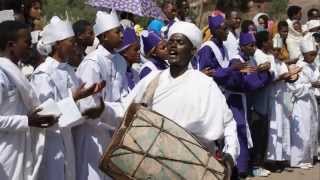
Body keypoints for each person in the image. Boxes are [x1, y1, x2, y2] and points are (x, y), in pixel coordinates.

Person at [108, 21, 240, 178]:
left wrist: (231, 155)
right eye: (170, 41)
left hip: (195, 168)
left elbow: (228, 123)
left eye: (180, 42)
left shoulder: (205, 84)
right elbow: (125, 109)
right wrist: (100, 109)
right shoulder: (153, 79)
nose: (173, 46)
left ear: (192, 51)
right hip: (155, 167)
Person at [31, 16, 105, 180]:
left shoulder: (69, 70)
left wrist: (90, 104)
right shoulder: (43, 73)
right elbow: (44, 114)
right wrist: (74, 97)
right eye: (71, 42)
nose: (75, 46)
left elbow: (77, 106)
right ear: (58, 44)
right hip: (50, 143)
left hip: (68, 138)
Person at [0, 20, 57, 180]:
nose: (31, 46)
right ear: (11, 45)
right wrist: (26, 121)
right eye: (26, 42)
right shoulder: (1, 74)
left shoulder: (13, 70)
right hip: (6, 155)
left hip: (22, 149)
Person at [75, 11, 126, 180]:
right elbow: (89, 106)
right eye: (117, 31)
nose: (122, 35)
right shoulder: (92, 62)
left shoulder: (120, 60)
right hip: (94, 133)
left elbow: (123, 95)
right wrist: (115, 114)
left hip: (115, 130)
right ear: (104, 36)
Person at [226, 32, 273, 179]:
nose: (253, 48)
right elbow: (241, 83)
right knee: (238, 133)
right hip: (235, 101)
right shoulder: (236, 61)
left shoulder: (250, 58)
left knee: (246, 134)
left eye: (254, 45)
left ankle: (243, 168)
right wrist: (262, 76)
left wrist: (266, 72)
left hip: (246, 101)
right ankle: (237, 169)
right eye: (250, 45)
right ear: (241, 47)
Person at [289, 38, 319, 169]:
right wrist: (311, 85)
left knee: (312, 128)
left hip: (311, 101)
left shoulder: (314, 66)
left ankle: (309, 156)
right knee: (303, 130)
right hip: (301, 103)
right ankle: (298, 159)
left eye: (315, 53)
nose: (313, 56)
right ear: (304, 54)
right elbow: (295, 88)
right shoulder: (298, 67)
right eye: (311, 54)